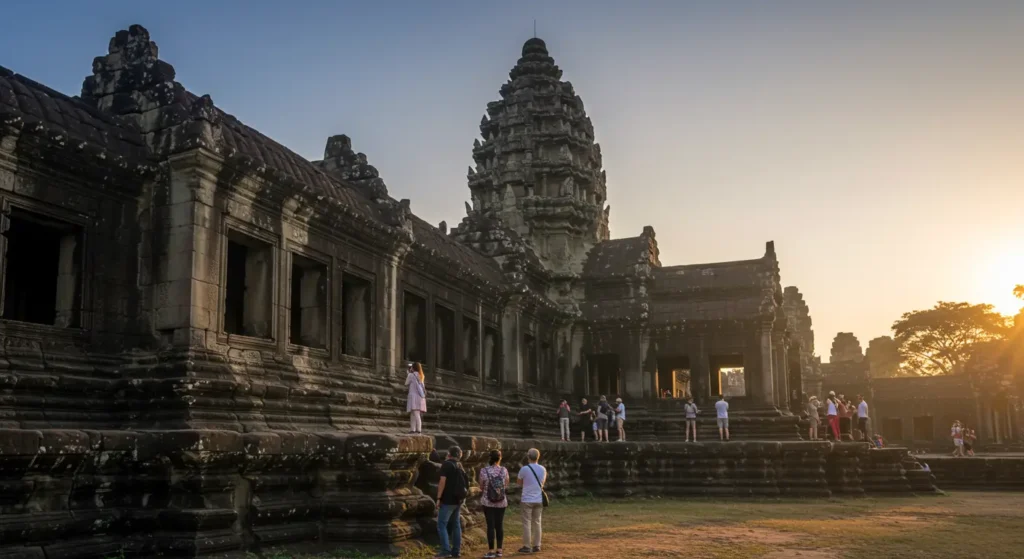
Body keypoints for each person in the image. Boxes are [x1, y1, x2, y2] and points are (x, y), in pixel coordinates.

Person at [435, 446, 468, 558]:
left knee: (441, 524)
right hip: (458, 500)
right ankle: (456, 551)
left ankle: (445, 550)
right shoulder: (460, 465)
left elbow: (442, 481)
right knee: (456, 525)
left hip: (448, 500)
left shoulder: (447, 464)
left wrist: (438, 498)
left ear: (449, 454)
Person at [478, 449, 509, 559]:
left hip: (488, 502)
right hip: (501, 502)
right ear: (500, 458)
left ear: (489, 458)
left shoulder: (484, 471)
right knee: (499, 525)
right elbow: (506, 485)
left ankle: (491, 551)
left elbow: (481, 486)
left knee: (490, 526)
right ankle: (499, 550)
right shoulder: (504, 470)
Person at [517, 448, 547, 554]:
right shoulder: (543, 469)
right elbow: (542, 482)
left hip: (527, 499)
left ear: (528, 457)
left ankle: (526, 546)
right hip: (538, 499)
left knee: (527, 523)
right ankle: (537, 545)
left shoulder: (524, 469)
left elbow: (519, 483)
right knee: (537, 522)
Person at [405, 362, 426, 434]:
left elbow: (406, 383)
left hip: (413, 396)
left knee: (415, 413)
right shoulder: (421, 375)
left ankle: (418, 430)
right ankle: (413, 429)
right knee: (414, 413)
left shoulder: (411, 375)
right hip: (420, 397)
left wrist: (408, 374)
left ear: (413, 368)